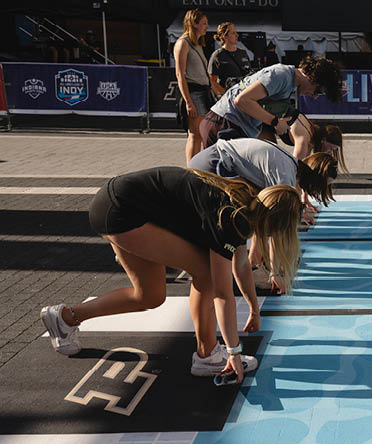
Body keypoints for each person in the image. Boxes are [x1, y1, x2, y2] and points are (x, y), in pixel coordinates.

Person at [40, 167, 304, 384]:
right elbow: (223, 294)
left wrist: (254, 310)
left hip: (120, 202)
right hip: (123, 210)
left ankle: (65, 318)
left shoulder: (246, 201)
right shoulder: (231, 219)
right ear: (276, 226)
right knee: (206, 274)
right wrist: (234, 352)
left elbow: (241, 265)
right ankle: (207, 355)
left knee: (149, 295)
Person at [188, 138, 338, 296]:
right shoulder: (284, 176)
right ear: (315, 180)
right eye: (324, 186)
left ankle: (251, 265)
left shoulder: (290, 167)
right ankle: (223, 272)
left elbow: (264, 220)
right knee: (233, 223)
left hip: (213, 160)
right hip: (212, 165)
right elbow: (276, 231)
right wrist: (276, 274)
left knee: (254, 215)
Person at [199, 56, 343, 149]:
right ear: (313, 79)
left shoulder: (289, 83)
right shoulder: (281, 75)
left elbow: (256, 109)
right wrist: (275, 122)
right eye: (318, 91)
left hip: (231, 124)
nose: (314, 96)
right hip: (223, 123)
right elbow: (242, 100)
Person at [174, 9, 213, 164]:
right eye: (203, 23)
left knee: (203, 133)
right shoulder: (183, 43)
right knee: (195, 134)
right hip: (194, 91)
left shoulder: (196, 44)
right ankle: (192, 169)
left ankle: (200, 166)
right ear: (194, 24)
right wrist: (189, 102)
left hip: (203, 91)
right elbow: (180, 75)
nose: (207, 26)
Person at [208, 22, 251, 97]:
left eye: (236, 32)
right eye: (233, 33)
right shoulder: (217, 55)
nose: (237, 35)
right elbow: (212, 81)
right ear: (225, 37)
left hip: (244, 95)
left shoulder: (243, 53)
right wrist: (225, 95)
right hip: (229, 98)